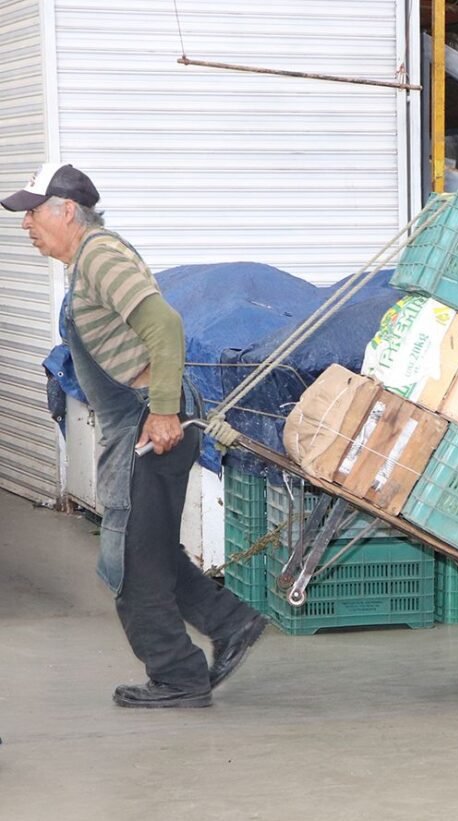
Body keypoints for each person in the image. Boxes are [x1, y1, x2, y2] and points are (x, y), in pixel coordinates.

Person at [3, 162, 267, 708]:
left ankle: (178, 677)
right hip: (137, 419)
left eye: (33, 213)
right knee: (147, 547)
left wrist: (164, 412)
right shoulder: (88, 261)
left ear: (66, 210)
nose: (26, 225)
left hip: (149, 419)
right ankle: (230, 622)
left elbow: (164, 326)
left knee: (128, 565)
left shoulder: (99, 254)